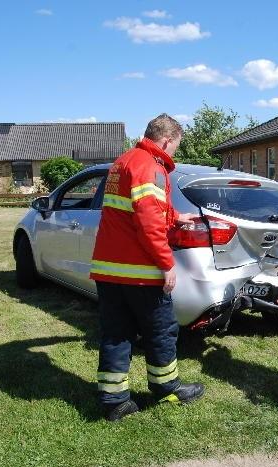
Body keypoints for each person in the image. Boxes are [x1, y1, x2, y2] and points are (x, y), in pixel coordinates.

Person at [90, 113, 204, 421]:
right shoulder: (149, 167)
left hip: (110, 269)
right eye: (175, 147)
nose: (173, 153)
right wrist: (166, 263)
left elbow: (136, 210)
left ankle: (114, 402)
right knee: (161, 330)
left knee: (116, 333)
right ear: (167, 140)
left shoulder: (125, 161)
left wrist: (177, 217)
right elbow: (147, 221)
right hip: (139, 271)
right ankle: (166, 388)